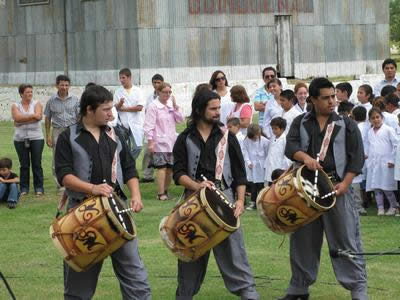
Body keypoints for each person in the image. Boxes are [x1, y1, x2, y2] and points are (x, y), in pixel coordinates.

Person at [54, 85, 151, 300]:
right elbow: (64, 175)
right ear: (89, 109)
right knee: (79, 284)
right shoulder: (67, 137)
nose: (111, 113)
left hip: (117, 212)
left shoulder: (116, 134)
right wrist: (93, 188)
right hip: (82, 214)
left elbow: (129, 169)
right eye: (106, 109)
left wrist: (136, 195)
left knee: (136, 279)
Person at [281, 77, 367, 300]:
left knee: (346, 239)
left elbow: (356, 158)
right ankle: (299, 288)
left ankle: (358, 289)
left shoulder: (346, 124)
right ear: (312, 99)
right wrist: (305, 158)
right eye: (326, 98)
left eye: (333, 97)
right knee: (303, 240)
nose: (332, 101)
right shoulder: (300, 122)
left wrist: (345, 185)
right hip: (305, 190)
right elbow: (290, 147)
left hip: (337, 187)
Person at [172, 89, 259, 300]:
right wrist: (196, 185)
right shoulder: (184, 138)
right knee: (191, 254)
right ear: (199, 109)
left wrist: (239, 201)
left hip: (225, 198)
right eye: (213, 108)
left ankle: (249, 295)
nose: (217, 112)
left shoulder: (227, 136)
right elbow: (178, 173)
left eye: (219, 108)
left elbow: (239, 174)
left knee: (235, 255)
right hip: (194, 201)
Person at [144, 82, 184, 201]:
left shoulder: (171, 105)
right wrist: (150, 142)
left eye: (169, 92)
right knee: (162, 167)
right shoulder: (153, 106)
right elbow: (148, 126)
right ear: (158, 92)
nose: (167, 94)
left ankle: (166, 191)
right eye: (165, 92)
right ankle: (160, 193)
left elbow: (180, 120)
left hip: (171, 142)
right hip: (159, 142)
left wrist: (176, 106)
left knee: (170, 168)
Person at [44, 75, 80, 192]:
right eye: (62, 85)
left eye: (66, 85)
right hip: (57, 131)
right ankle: (60, 184)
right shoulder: (51, 101)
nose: (64, 87)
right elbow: (47, 119)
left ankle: (75, 181)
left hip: (72, 130)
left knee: (75, 155)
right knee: (57, 157)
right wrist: (48, 136)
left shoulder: (75, 99)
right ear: (57, 85)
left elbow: (79, 117)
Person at [11, 84, 44, 196]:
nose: (30, 94)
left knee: (36, 163)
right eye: (27, 92)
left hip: (36, 138)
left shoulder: (37, 103)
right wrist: (32, 116)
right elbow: (17, 118)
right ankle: (24, 188)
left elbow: (39, 117)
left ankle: (39, 188)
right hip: (20, 139)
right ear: (21, 94)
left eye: (31, 92)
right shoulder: (15, 105)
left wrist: (20, 121)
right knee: (24, 164)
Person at [365, 108, 399, 216]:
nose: (376, 120)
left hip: (386, 163)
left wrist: (392, 160)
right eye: (373, 118)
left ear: (382, 118)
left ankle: (393, 207)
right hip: (374, 163)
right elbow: (368, 146)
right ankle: (380, 208)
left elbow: (395, 145)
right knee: (376, 186)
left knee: (387, 187)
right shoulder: (370, 132)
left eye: (377, 117)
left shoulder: (388, 130)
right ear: (370, 120)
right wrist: (367, 157)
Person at [114, 68, 145, 160]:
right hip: (123, 125)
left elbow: (139, 107)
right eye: (120, 78)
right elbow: (115, 108)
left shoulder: (138, 91)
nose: (121, 80)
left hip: (136, 123)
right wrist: (120, 104)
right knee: (123, 148)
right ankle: (127, 168)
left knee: (137, 147)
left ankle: (127, 163)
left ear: (129, 77)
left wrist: (124, 108)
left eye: (123, 78)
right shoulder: (118, 92)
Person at [142, 74, 164, 183]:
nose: (156, 85)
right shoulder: (149, 97)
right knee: (148, 153)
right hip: (151, 129)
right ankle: (147, 176)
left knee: (165, 154)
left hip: (163, 130)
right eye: (154, 82)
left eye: (158, 82)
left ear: (162, 83)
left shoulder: (167, 96)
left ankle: (168, 175)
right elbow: (146, 112)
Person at [242, 124, 269, 210]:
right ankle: (253, 202)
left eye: (254, 137)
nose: (253, 139)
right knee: (253, 185)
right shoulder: (246, 141)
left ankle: (261, 202)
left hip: (262, 166)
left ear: (259, 133)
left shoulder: (265, 141)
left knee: (261, 185)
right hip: (252, 166)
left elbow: (267, 154)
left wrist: (265, 165)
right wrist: (248, 162)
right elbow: (245, 152)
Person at [350, 106, 369, 216]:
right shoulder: (367, 126)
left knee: (356, 180)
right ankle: (362, 203)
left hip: (360, 156)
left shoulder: (357, 128)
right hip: (367, 157)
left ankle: (359, 206)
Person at [264, 117, 291, 186]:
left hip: (279, 169)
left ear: (282, 129)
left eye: (276, 128)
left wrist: (283, 169)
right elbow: (270, 153)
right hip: (270, 167)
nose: (273, 130)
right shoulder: (273, 138)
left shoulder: (285, 139)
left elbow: (287, 156)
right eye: (272, 128)